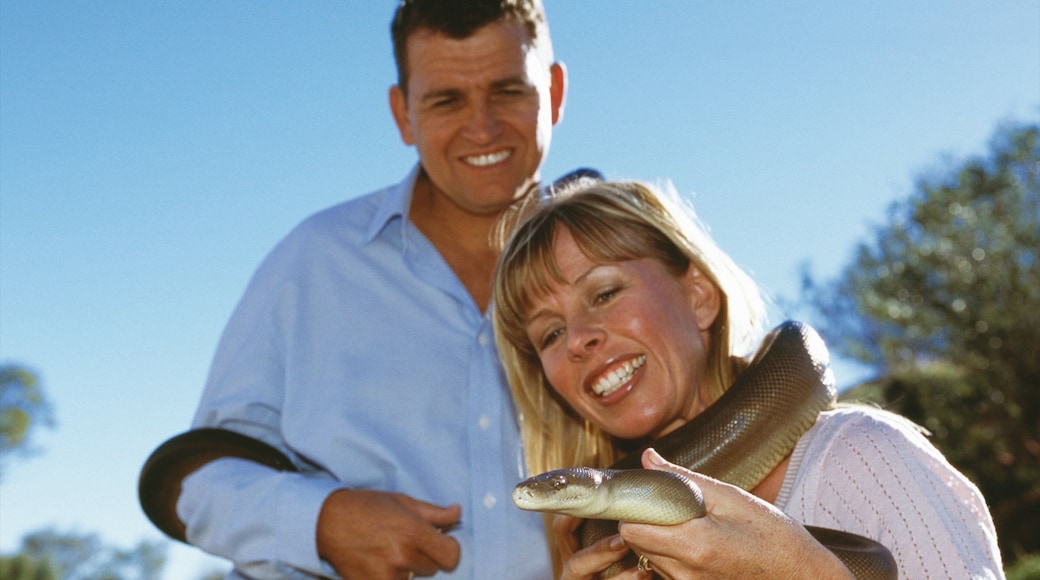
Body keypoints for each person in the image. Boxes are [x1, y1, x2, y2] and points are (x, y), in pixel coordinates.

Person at [167, 1, 566, 578]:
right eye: (446, 100)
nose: (482, 127)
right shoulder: (312, 261)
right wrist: (320, 521)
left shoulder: (628, 272)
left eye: (508, 91)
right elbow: (196, 483)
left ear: (552, 93)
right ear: (403, 113)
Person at [491, 179, 1004, 579]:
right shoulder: (610, 546)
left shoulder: (861, 460)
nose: (578, 338)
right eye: (551, 334)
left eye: (603, 293)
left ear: (700, 296)